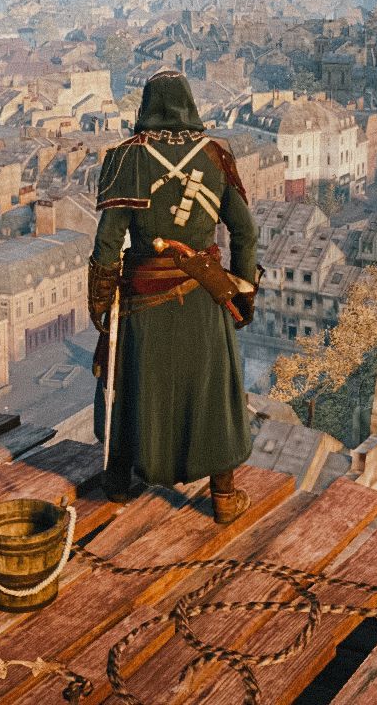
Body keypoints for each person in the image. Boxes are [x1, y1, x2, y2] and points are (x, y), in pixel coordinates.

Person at [88, 70, 260, 524]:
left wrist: (100, 302)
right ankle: (223, 496)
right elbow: (245, 232)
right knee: (213, 395)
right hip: (205, 295)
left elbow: (108, 242)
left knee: (130, 386)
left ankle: (120, 482)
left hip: (143, 299)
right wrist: (244, 292)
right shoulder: (216, 156)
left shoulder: (128, 159)